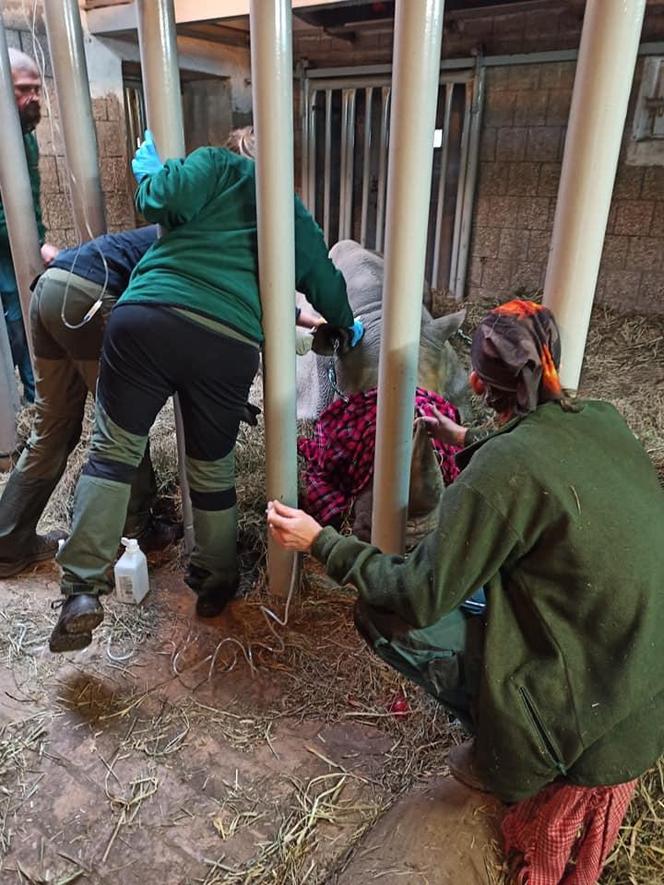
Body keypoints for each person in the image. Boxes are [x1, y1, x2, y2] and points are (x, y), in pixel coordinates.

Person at [268, 300, 664, 811]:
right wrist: (468, 439)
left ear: (476, 384)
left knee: (383, 612)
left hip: (582, 731)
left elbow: (418, 594)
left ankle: (506, 735)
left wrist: (320, 541)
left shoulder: (499, 473)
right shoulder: (600, 417)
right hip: (637, 684)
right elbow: (536, 445)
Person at [49, 127, 364, 653]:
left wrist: (149, 170)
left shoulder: (216, 164)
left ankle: (83, 587)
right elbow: (326, 281)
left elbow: (157, 199)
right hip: (228, 342)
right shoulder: (289, 209)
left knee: (112, 455)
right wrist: (347, 324)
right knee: (212, 468)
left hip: (146, 319)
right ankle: (215, 582)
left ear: (236, 147)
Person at [0, 225, 183, 580]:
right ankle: (135, 532)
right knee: (124, 419)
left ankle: (7, 542)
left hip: (50, 289)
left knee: (53, 427)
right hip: (90, 297)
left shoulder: (165, 231)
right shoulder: (201, 241)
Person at [0, 49, 59, 403]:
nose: (33, 97)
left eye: (37, 88)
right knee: (15, 322)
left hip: (17, 246)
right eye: (24, 89)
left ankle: (35, 398)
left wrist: (36, 240)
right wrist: (33, 244)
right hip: (9, 245)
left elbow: (28, 197)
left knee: (25, 317)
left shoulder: (24, 132)